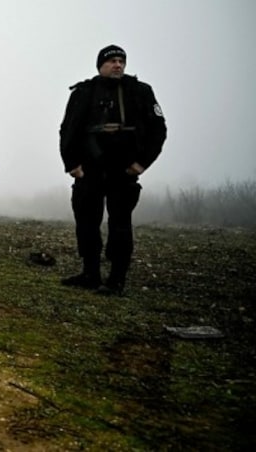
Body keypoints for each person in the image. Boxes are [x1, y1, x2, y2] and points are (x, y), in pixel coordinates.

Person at [59, 44, 167, 295]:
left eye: (121, 61)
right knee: (86, 223)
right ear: (100, 66)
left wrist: (142, 163)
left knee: (120, 225)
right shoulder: (83, 92)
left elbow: (158, 130)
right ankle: (90, 273)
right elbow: (68, 130)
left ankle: (116, 280)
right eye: (112, 61)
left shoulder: (140, 92)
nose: (118, 65)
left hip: (123, 172)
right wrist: (71, 165)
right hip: (89, 171)